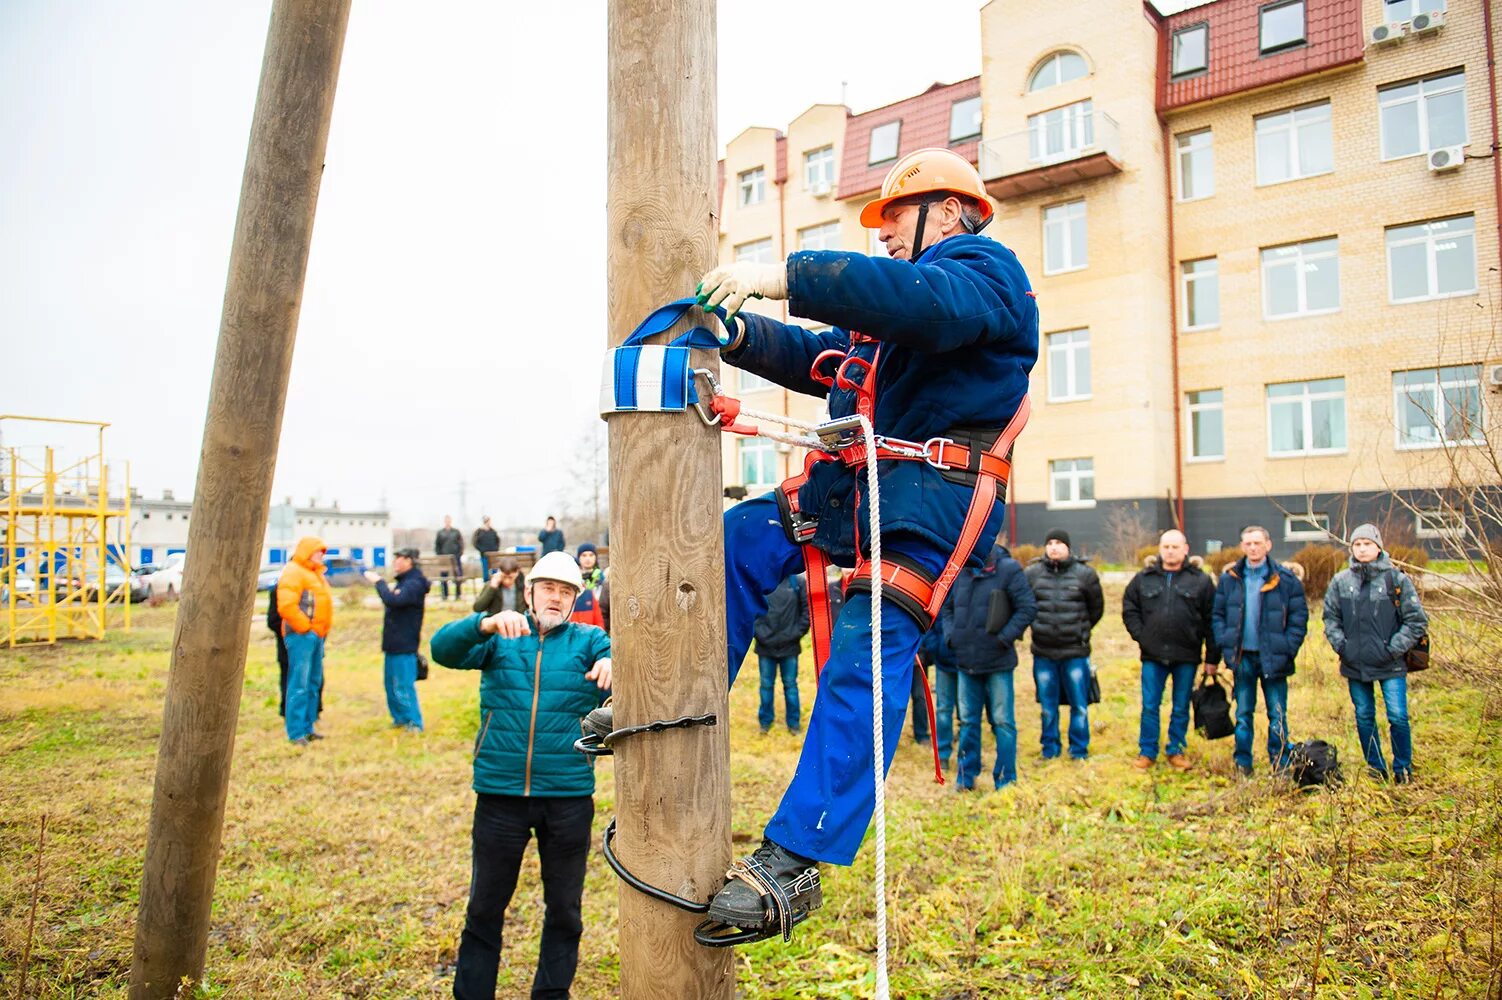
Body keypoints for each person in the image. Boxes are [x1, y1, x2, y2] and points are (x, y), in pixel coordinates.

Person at [589, 146, 1037, 937]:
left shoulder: (984, 272)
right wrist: (735, 331)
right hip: (857, 484)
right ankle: (660, 700)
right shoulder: (894, 315)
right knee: (736, 539)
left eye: (894, 216)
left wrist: (785, 274)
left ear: (950, 209)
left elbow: (925, 306)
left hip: (931, 497)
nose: (885, 233)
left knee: (868, 648)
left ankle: (795, 860)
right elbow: (822, 356)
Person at [429, 551, 612, 1000]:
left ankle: (550, 994)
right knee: (485, 906)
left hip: (567, 796)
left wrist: (616, 664)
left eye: (565, 591)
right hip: (500, 795)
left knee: (564, 909)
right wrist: (482, 623)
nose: (555, 597)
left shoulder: (589, 640)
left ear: (574, 600)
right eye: (547, 588)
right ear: (529, 593)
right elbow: (441, 650)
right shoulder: (501, 638)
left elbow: (624, 659)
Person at [1323, 524, 1427, 783]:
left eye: (1367, 543)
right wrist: (1342, 647)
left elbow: (1416, 620)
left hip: (1391, 664)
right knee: (1364, 716)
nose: (1362, 548)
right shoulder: (1340, 582)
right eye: (1357, 544)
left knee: (1398, 716)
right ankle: (1376, 768)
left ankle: (1402, 768)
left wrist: (1393, 649)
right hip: (1354, 664)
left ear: (1378, 546)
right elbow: (1330, 619)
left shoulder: (1396, 579)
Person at [1211, 525, 1308, 777]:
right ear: (1242, 547)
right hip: (1242, 658)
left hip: (1274, 658)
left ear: (1268, 544)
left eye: (1257, 543)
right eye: (1248, 543)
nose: (1253, 548)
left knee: (1277, 714)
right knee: (1243, 713)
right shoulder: (1230, 578)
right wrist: (1225, 642)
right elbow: (1218, 615)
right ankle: (1243, 763)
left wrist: (1288, 648)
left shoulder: (1284, 579)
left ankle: (1280, 763)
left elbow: (1299, 618)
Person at [1122, 530, 1220, 773]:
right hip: (1153, 656)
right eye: (1166, 546)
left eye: (1175, 547)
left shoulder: (1200, 580)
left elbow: (1212, 620)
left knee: (1180, 706)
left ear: (1185, 549)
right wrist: (1142, 637)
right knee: (1150, 705)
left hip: (1186, 654)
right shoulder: (1144, 578)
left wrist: (1212, 658)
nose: (1170, 551)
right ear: (1160, 549)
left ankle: (1176, 750)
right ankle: (1147, 752)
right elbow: (1129, 608)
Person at [943, 543, 1037, 790]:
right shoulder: (959, 571)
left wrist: (1004, 638)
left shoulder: (1009, 570)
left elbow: (1027, 608)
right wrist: (951, 636)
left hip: (998, 661)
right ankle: (965, 777)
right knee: (967, 722)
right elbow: (947, 608)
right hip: (965, 661)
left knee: (1003, 723)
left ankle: (1006, 779)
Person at [1023, 530, 1103, 761]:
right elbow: (1025, 606)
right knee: (1048, 706)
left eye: (1059, 543)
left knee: (1079, 705)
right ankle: (1050, 749)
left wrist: (1080, 630)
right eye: (1050, 543)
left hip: (1075, 652)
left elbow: (1096, 609)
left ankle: (1078, 750)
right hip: (1043, 652)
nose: (1054, 547)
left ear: (1068, 547)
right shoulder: (1032, 574)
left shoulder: (1085, 574)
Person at [276, 536, 334, 746]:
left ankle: (308, 727)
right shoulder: (293, 572)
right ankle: (295, 731)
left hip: (317, 635)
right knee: (299, 683)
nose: (321, 556)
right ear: (308, 551)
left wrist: (320, 630)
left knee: (313, 682)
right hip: (302, 636)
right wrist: (305, 628)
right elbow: (287, 606)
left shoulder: (315, 574)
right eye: (319, 551)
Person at [365, 548, 430, 732]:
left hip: (405, 644)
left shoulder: (414, 583)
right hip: (393, 643)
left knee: (403, 685)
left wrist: (379, 583)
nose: (395, 562)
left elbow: (394, 601)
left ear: (409, 561)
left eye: (399, 559)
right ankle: (400, 718)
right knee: (390, 684)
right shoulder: (405, 581)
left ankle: (414, 722)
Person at [752, 574, 810, 734]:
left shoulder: (797, 583)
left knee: (790, 685)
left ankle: (794, 724)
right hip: (765, 647)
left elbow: (807, 612)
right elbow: (753, 611)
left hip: (790, 647)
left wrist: (795, 634)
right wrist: (761, 634)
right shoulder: (761, 581)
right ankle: (765, 723)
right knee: (766, 685)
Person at [919, 596, 959, 770]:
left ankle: (966, 757)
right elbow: (929, 623)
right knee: (943, 710)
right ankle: (943, 754)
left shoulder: (969, 584)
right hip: (944, 662)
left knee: (967, 715)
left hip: (971, 661)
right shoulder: (944, 589)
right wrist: (937, 648)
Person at [436, 515, 465, 601]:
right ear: (444, 521)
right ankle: (444, 595)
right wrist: (440, 555)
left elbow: (461, 544)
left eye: (449, 520)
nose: (447, 521)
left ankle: (458, 594)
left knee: (457, 576)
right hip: (444, 558)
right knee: (444, 577)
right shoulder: (440, 532)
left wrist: (459, 554)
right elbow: (437, 546)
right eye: (446, 520)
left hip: (455, 557)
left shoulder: (456, 532)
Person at [472, 516, 500, 583]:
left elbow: (497, 541)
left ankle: (495, 583)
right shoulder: (479, 531)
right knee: (485, 571)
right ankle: (486, 583)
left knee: (495, 571)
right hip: (484, 555)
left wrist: (495, 549)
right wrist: (481, 549)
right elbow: (475, 542)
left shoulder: (493, 531)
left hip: (493, 555)